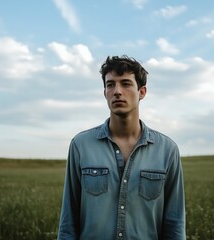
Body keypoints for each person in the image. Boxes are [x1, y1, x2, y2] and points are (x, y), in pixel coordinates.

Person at [57, 55, 186, 239]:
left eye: (125, 84)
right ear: (104, 93)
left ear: (142, 92)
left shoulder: (167, 150)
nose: (117, 91)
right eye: (110, 85)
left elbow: (175, 225)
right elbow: (68, 222)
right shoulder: (81, 145)